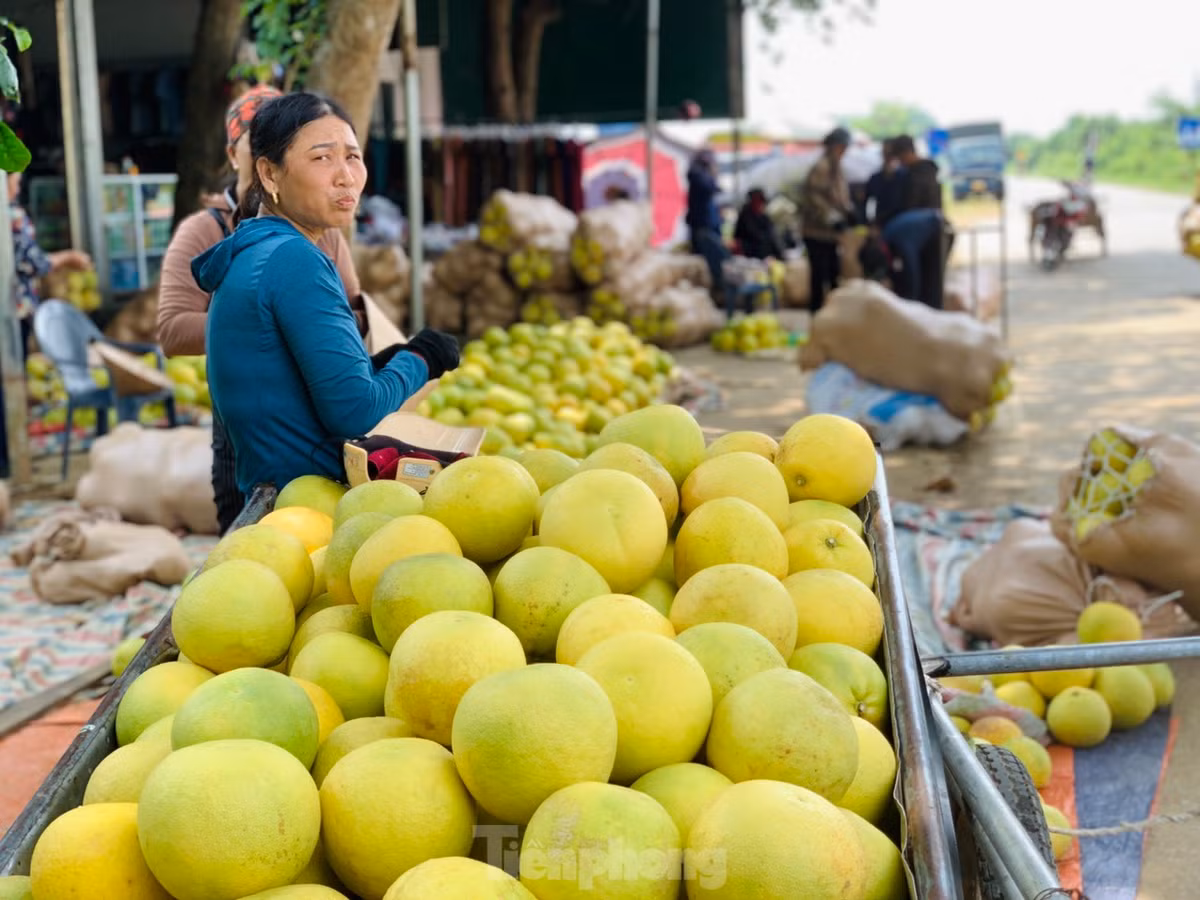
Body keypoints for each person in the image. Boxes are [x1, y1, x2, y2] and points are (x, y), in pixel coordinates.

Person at [191, 92, 459, 505]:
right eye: (321, 158)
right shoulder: (293, 259)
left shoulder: (253, 253)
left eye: (353, 157)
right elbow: (355, 411)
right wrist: (423, 358)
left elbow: (292, 385)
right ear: (269, 174)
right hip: (305, 502)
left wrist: (378, 365)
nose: (345, 176)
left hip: (278, 497)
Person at [157, 84, 367, 533]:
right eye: (257, 144)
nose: (342, 173)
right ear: (242, 158)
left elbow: (351, 308)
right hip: (248, 420)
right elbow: (173, 330)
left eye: (349, 156)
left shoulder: (322, 226)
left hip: (316, 416)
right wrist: (261, 315)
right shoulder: (204, 230)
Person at [8, 171, 92, 359]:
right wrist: (68, 257)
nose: (18, 189)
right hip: (14, 304)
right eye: (16, 183)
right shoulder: (13, 215)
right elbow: (31, 262)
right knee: (15, 358)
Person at [881, 134, 948, 308]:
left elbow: (909, 206)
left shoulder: (914, 175)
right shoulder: (928, 171)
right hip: (934, 230)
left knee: (924, 285)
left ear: (905, 153)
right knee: (931, 284)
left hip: (922, 235)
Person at [799, 127, 855, 312]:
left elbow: (839, 196)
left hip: (830, 234)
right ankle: (816, 314)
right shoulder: (822, 167)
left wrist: (849, 212)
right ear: (835, 147)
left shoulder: (837, 168)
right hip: (816, 232)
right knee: (819, 275)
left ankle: (833, 312)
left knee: (834, 274)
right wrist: (832, 217)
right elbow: (814, 198)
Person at [686, 148, 729, 294]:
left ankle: (716, 290)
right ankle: (716, 290)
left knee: (714, 261)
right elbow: (711, 187)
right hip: (703, 226)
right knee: (712, 262)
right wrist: (713, 176)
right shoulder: (698, 175)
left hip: (708, 224)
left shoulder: (700, 175)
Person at [733, 188, 784, 260]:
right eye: (757, 200)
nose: (760, 203)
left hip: (762, 249)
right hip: (750, 250)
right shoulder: (745, 216)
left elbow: (771, 232)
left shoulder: (763, 217)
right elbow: (753, 234)